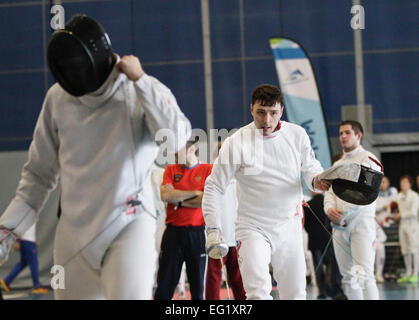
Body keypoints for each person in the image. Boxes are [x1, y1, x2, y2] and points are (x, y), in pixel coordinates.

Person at [0, 15, 191, 299]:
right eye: (68, 68)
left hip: (129, 225)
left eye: (78, 65)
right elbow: (37, 178)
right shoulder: (57, 98)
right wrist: (6, 232)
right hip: (73, 234)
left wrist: (142, 80)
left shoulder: (136, 90)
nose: (73, 72)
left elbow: (176, 138)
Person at [202, 84, 330, 300]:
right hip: (252, 228)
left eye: (273, 113)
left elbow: (311, 171)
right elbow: (214, 185)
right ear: (251, 109)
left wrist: (318, 181)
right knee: (257, 293)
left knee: (296, 294)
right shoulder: (236, 142)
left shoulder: (297, 135)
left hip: (289, 227)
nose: (267, 120)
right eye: (261, 112)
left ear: (281, 111)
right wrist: (213, 226)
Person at [324, 120, 382, 300]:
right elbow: (329, 192)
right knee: (348, 279)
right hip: (339, 227)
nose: (343, 136)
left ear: (358, 135)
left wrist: (343, 215)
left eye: (347, 133)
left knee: (364, 276)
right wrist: (329, 210)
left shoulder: (369, 160)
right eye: (341, 133)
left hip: (360, 225)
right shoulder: (338, 164)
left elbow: (367, 195)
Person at [154, 140, 212, 300]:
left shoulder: (207, 170)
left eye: (177, 150)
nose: (174, 154)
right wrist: (194, 192)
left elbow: (205, 199)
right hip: (173, 233)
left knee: (197, 287)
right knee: (164, 285)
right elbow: (166, 195)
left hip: (197, 233)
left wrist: (178, 199)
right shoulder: (171, 169)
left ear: (191, 149)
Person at [205, 141, 246, 300]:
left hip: (236, 235)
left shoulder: (241, 175)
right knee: (214, 276)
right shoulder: (213, 173)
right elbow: (209, 204)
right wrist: (214, 229)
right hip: (219, 235)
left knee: (237, 276)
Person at [0, 224, 48, 294]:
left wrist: (33, 241)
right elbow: (21, 226)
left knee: (23, 263)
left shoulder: (33, 214)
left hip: (28, 241)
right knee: (34, 264)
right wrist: (18, 241)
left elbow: (28, 229)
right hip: (27, 242)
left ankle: (6, 282)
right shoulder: (30, 213)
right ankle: (37, 286)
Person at [391, 175, 419, 284]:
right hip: (402, 225)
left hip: (413, 225)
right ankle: (408, 273)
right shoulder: (398, 196)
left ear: (410, 184)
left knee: (414, 249)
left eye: (405, 182)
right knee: (405, 249)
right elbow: (392, 207)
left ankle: (415, 274)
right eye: (401, 182)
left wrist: (400, 215)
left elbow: (413, 212)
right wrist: (392, 213)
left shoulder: (414, 196)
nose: (402, 184)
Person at [374, 176, 398, 282]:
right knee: (376, 247)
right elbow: (373, 209)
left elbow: (394, 208)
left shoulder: (393, 193)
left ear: (388, 183)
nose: (382, 184)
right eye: (380, 182)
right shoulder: (374, 195)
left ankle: (380, 273)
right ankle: (374, 273)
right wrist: (382, 208)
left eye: (384, 182)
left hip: (388, 226)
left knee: (380, 247)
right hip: (376, 225)